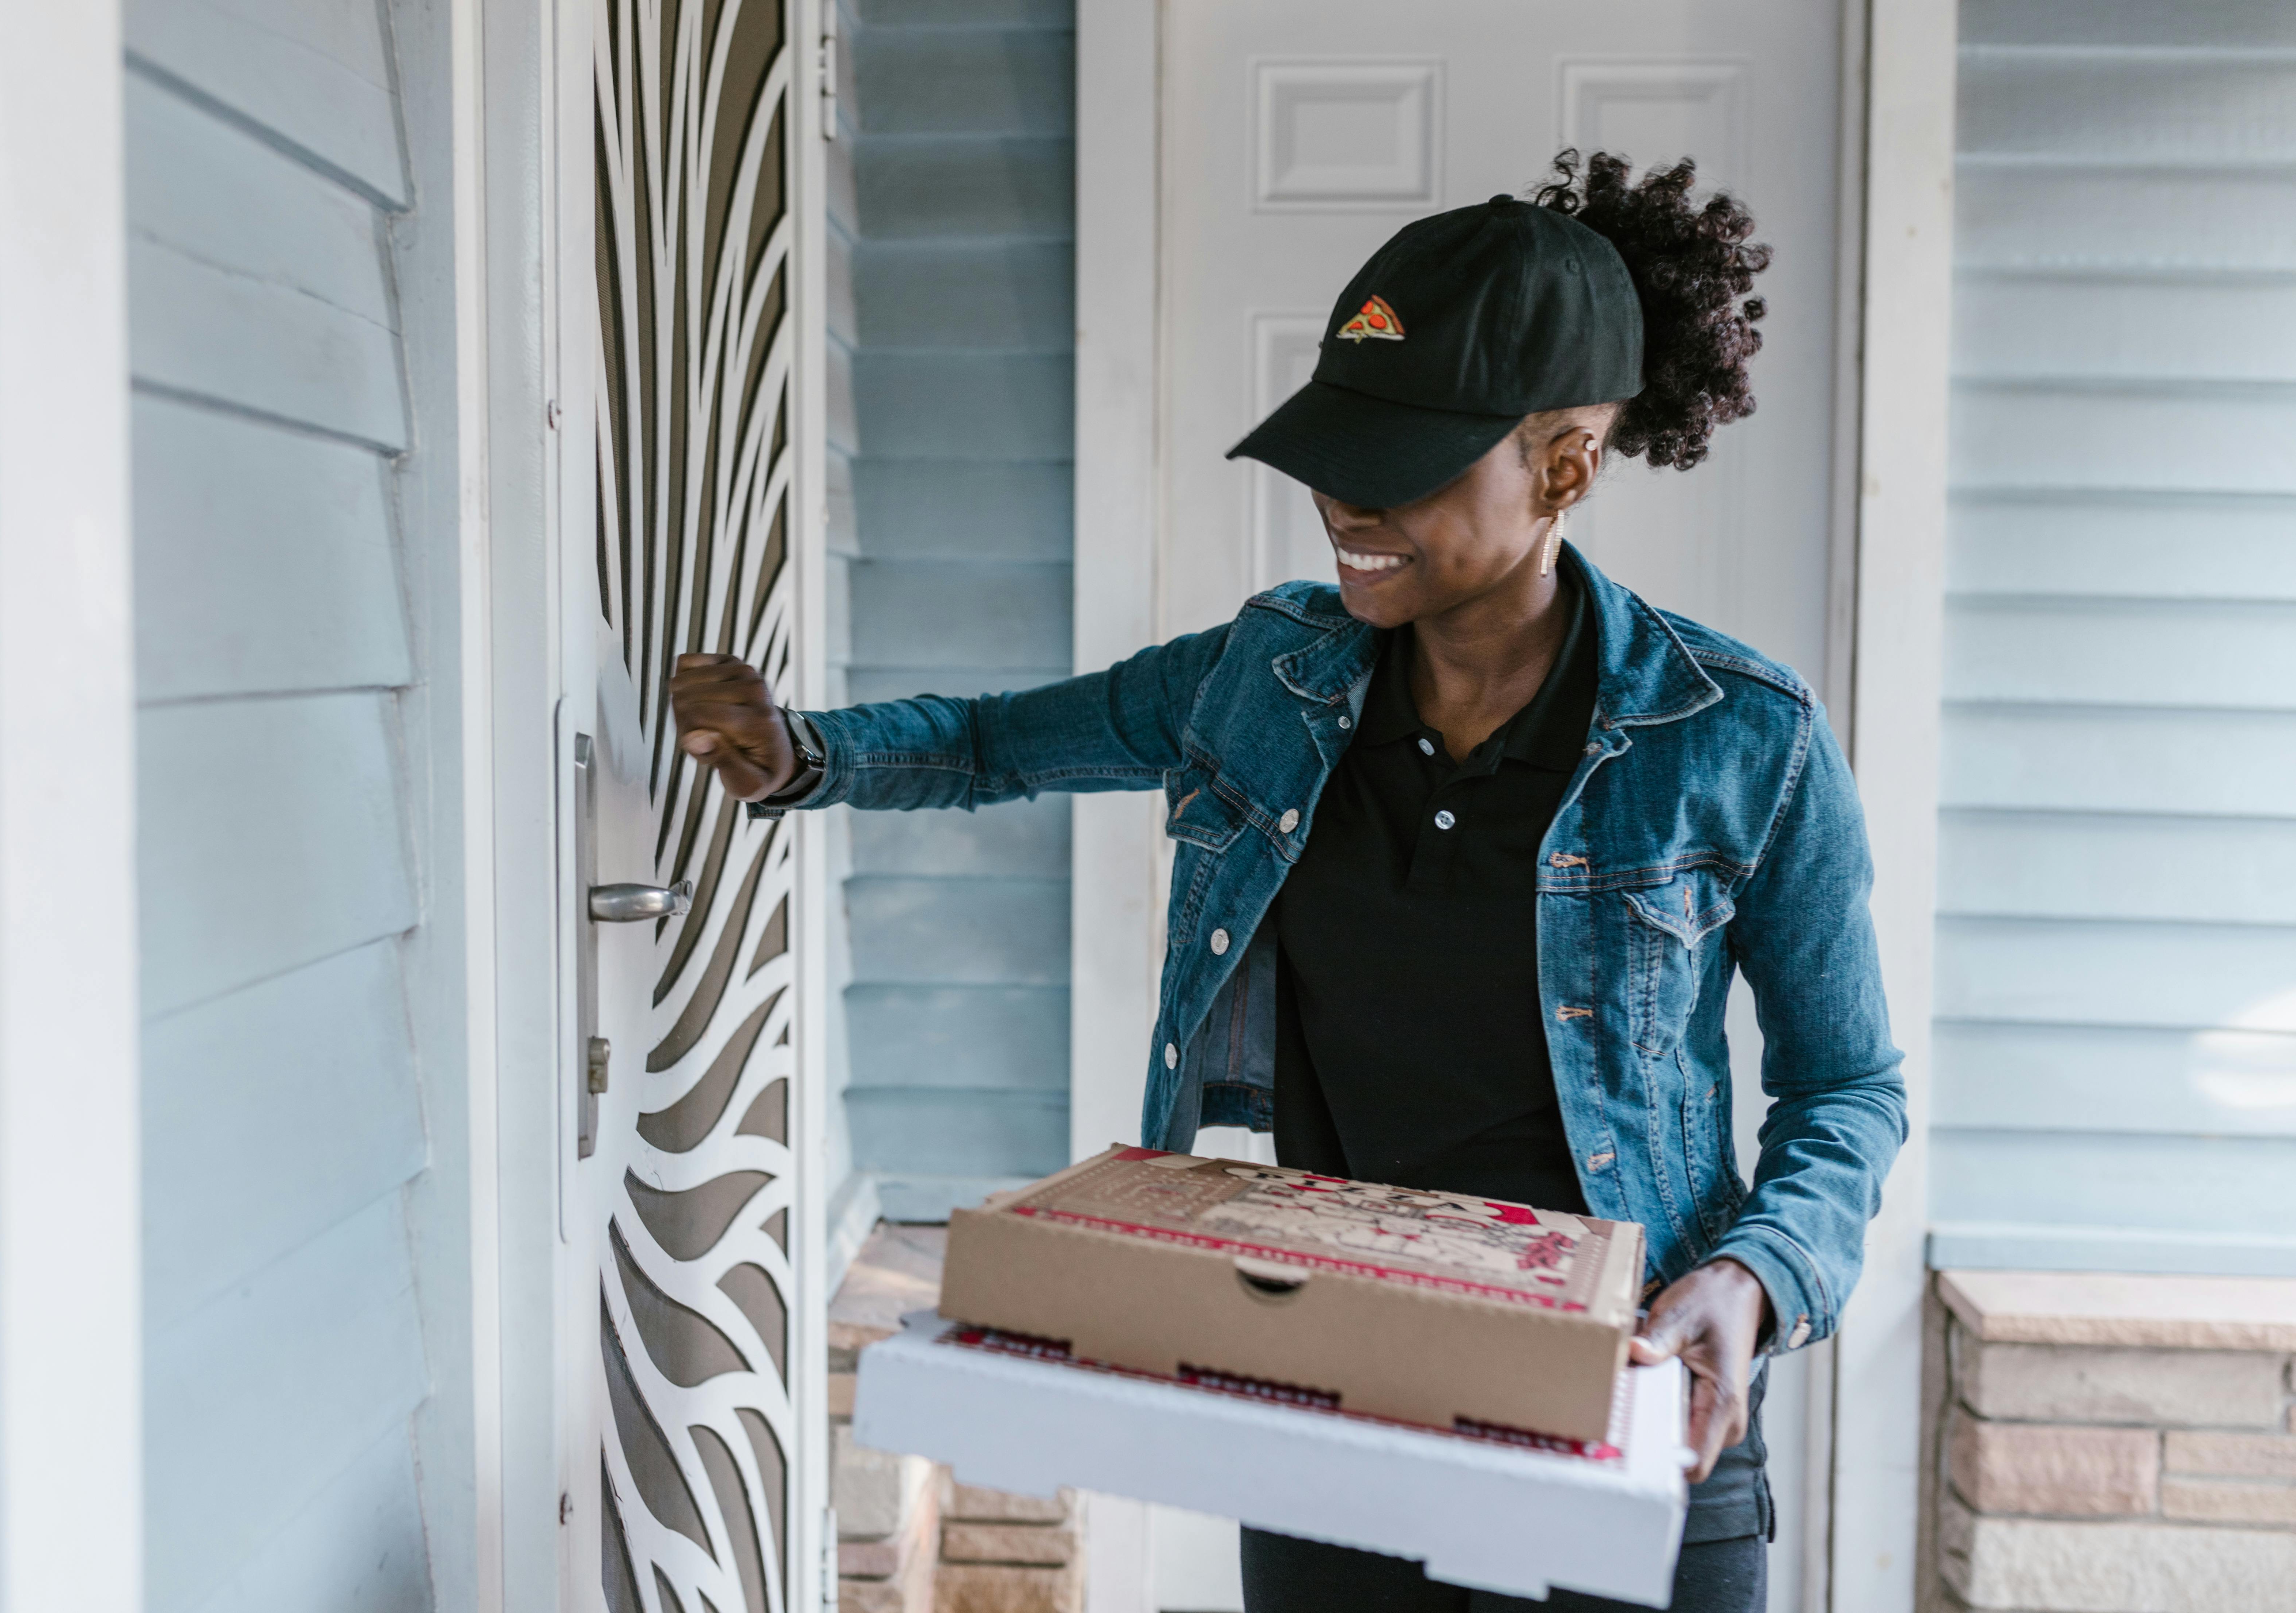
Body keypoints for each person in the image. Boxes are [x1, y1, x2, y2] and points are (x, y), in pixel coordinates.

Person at [669, 149, 1907, 1613]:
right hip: (1332, 1398)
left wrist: (1749, 1282)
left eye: (1405, 463)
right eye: (1336, 445)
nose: (1341, 501)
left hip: (1624, 1409)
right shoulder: (1265, 677)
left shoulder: (1739, 739)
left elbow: (1846, 1093)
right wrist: (799, 756)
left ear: (1563, 463)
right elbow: (1001, 743)